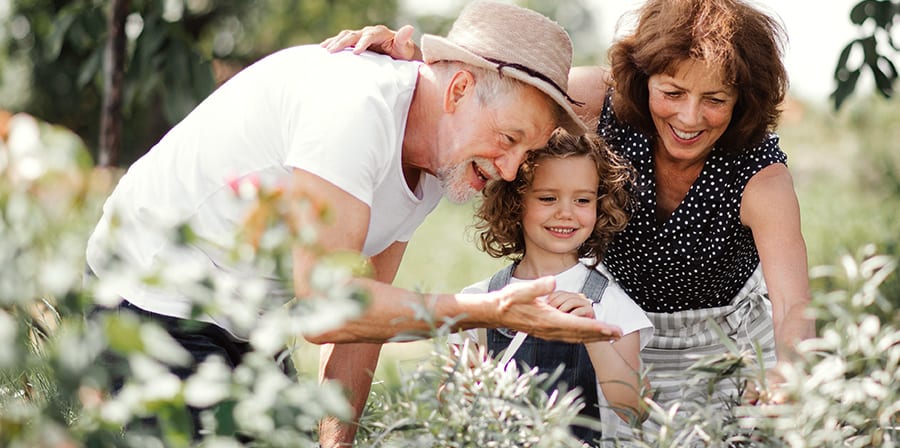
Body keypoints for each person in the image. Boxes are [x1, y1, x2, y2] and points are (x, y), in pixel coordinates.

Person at [84, 1, 626, 444]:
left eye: (524, 152)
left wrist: (336, 443)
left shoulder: (439, 164)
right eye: (508, 139)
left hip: (245, 316)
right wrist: (486, 310)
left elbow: (363, 319)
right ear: (458, 90)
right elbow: (327, 307)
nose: (509, 169)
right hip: (150, 293)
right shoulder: (355, 109)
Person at [321, 0, 815, 433]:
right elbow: (499, 88)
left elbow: (793, 307)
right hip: (620, 335)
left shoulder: (760, 177)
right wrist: (417, 74)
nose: (688, 117)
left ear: (742, 101)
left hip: (722, 347)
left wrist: (787, 377)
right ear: (643, 80)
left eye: (714, 100)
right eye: (672, 92)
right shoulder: (601, 101)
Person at [452, 129, 653, 445]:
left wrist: (593, 335)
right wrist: (466, 385)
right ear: (515, 203)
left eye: (583, 200)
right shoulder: (480, 301)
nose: (566, 212)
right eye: (547, 198)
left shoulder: (609, 304)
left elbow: (636, 408)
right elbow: (449, 403)